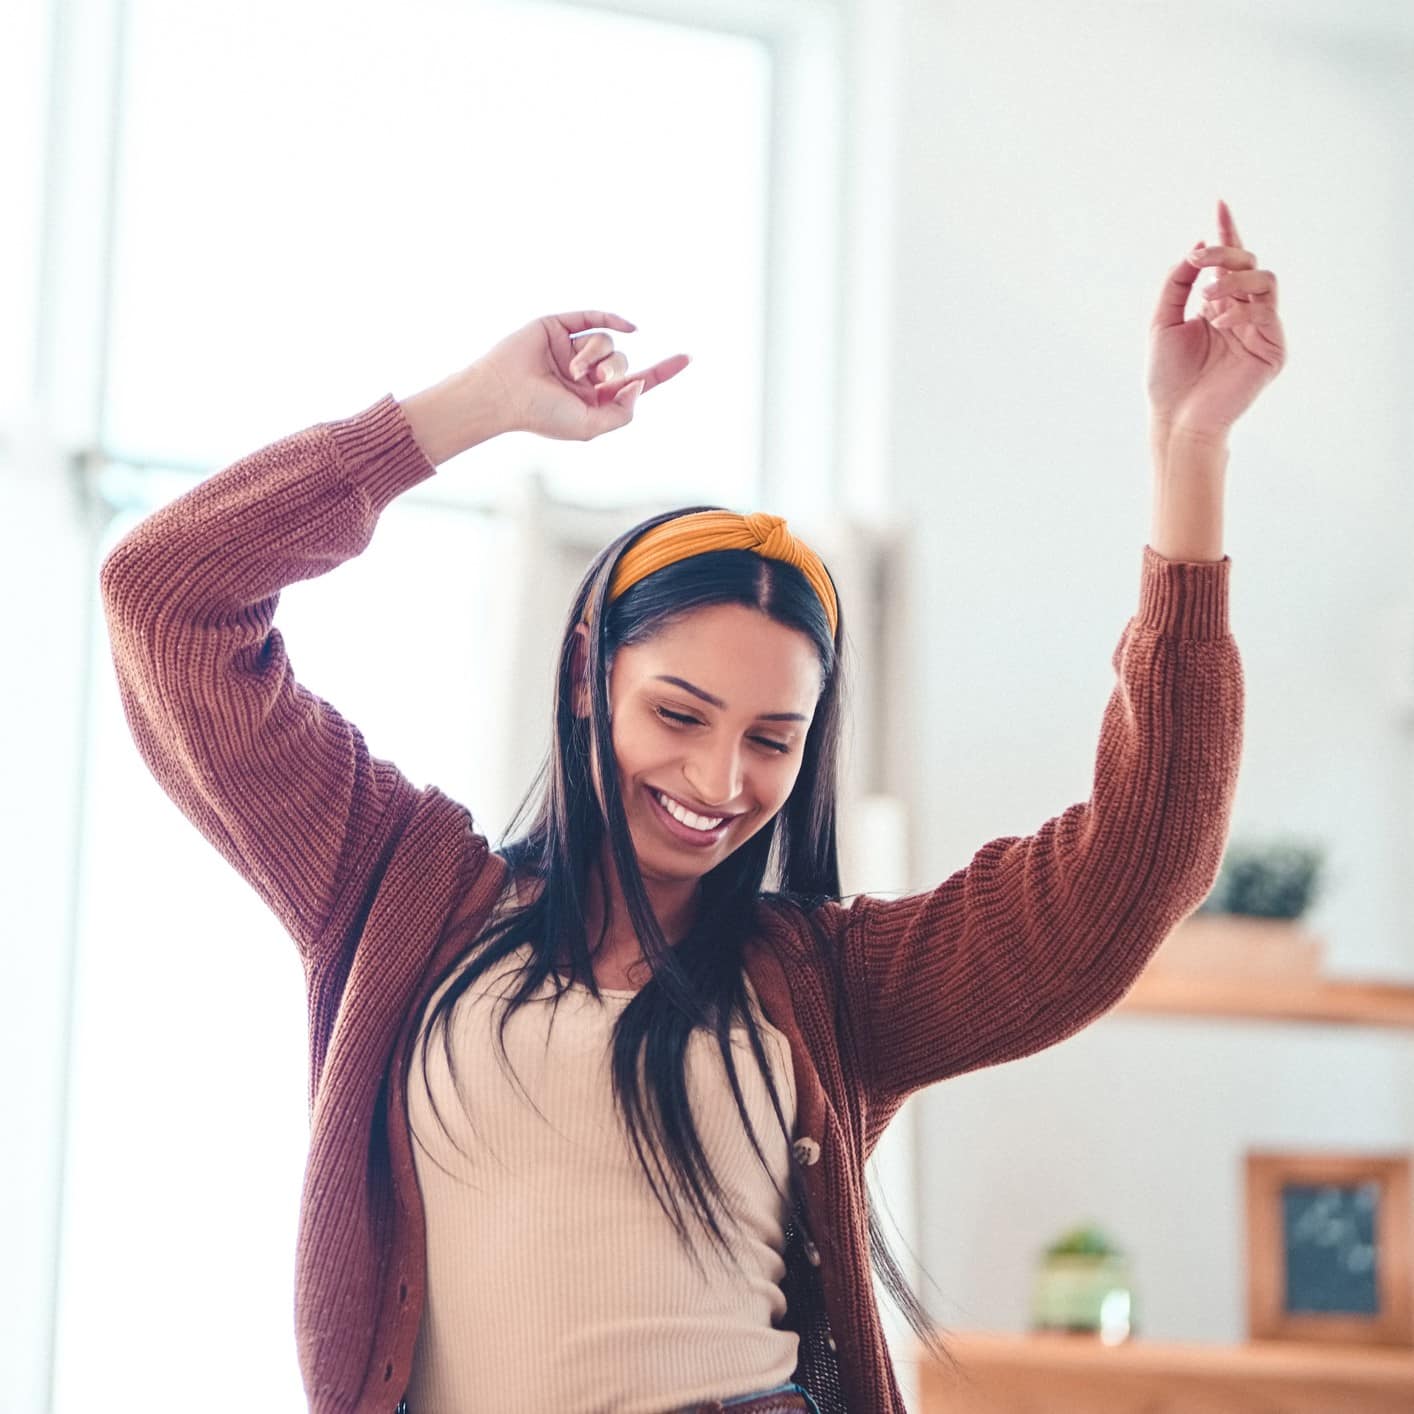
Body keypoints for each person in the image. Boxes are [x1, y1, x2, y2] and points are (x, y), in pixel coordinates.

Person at [99, 198, 1282, 1414]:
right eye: (678, 714)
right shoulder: (394, 886)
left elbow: (1144, 857)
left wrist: (1187, 450)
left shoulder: (836, 987)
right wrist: (471, 408)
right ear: (585, 675)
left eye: (772, 739)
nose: (720, 783)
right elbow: (165, 595)